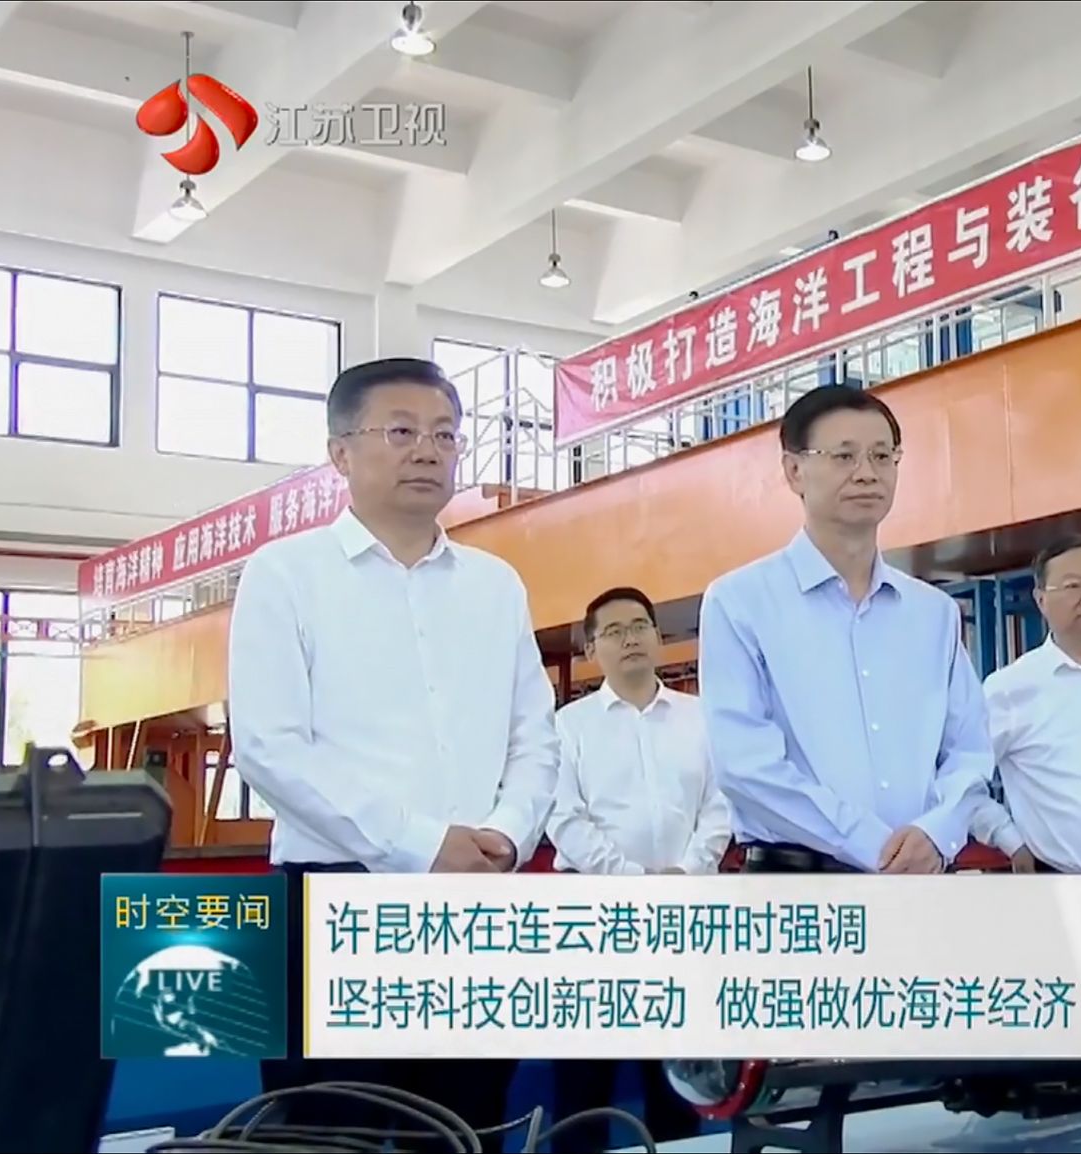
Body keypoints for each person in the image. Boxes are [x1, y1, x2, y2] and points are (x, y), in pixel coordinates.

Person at [226, 357, 558, 1138]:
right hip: (336, 903)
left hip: (477, 901)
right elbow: (270, 747)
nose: (428, 451)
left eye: (445, 434)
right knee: (327, 1131)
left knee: (466, 1125)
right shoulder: (285, 575)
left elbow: (536, 738)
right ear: (340, 453)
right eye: (401, 431)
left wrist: (506, 834)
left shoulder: (496, 585)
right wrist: (422, 843)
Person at [696, 384, 994, 874]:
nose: (867, 473)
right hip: (796, 884)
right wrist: (872, 844)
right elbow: (744, 765)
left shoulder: (933, 613)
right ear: (794, 471)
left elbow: (969, 749)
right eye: (844, 456)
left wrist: (938, 832)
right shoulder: (739, 602)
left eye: (882, 456)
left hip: (920, 876)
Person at [547, 585, 722, 1146]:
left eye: (640, 626)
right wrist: (634, 883)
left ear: (658, 636)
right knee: (585, 1078)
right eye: (614, 632)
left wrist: (687, 873)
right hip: (593, 917)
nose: (630, 640)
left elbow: (721, 805)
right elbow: (564, 818)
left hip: (684, 913)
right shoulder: (567, 726)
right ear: (591, 648)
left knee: (677, 1076)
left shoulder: (701, 718)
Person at [968, 535, 1081, 874]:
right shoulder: (1011, 689)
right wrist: (1008, 838)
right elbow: (960, 781)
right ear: (1041, 600)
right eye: (1073, 586)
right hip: (1062, 882)